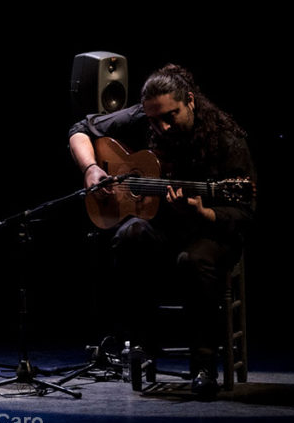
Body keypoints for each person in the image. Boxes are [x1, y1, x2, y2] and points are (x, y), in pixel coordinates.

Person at [68, 63, 255, 397]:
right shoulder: (148, 115)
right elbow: (80, 129)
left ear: (191, 102)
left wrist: (204, 211)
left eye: (172, 115)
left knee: (193, 259)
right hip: (164, 231)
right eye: (154, 119)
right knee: (129, 236)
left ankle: (203, 366)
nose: (162, 126)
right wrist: (92, 168)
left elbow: (243, 212)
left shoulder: (227, 140)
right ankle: (141, 345)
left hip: (211, 234)